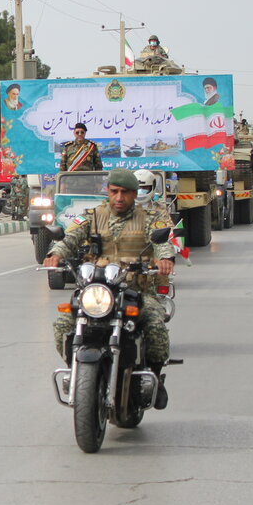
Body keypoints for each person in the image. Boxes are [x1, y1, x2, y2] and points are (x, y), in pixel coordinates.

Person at [43, 168, 176, 408]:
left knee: (155, 325)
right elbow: (70, 237)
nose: (119, 197)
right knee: (63, 324)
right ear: (108, 191)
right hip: (98, 290)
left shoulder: (149, 217)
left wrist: (166, 259)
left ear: (135, 194)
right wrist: (55, 253)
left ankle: (155, 378)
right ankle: (78, 371)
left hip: (136, 290)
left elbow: (162, 242)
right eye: (114, 191)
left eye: (125, 192)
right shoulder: (92, 216)